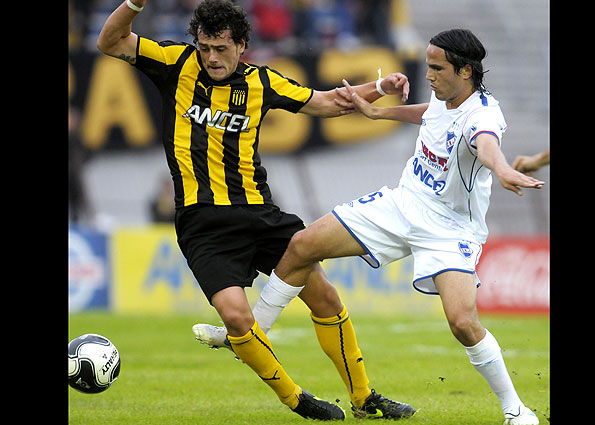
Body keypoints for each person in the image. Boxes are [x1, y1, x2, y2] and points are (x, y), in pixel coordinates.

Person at [199, 28, 544, 424]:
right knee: (302, 245)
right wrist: (380, 113)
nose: (428, 75)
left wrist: (501, 169)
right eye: (428, 66)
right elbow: (431, 115)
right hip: (402, 203)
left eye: (437, 69)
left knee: (463, 323)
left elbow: (486, 144)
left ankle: (515, 410)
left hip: (449, 228)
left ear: (465, 71)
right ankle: (251, 334)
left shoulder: (484, 115)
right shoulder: (445, 95)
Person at [97, 0, 414, 420]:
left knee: (324, 296)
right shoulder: (175, 62)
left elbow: (328, 103)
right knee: (235, 316)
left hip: (260, 214)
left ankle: (363, 398)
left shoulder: (263, 82)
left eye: (221, 49)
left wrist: (380, 86)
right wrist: (135, 3)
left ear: (242, 45)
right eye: (205, 47)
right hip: (202, 222)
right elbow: (110, 41)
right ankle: (297, 399)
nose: (211, 57)